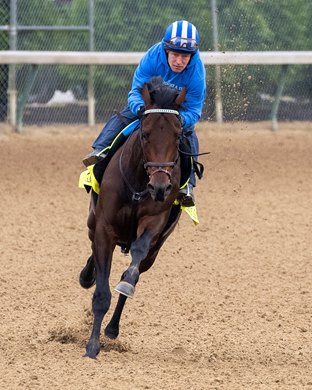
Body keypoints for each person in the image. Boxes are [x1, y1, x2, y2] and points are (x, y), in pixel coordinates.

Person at [83, 20, 206, 207]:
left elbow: (194, 111)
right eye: (175, 55)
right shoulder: (152, 57)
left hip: (176, 112)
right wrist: (141, 109)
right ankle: (99, 151)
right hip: (148, 106)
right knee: (123, 118)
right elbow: (135, 92)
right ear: (166, 50)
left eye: (185, 56)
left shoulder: (197, 72)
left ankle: (187, 186)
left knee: (189, 135)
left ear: (193, 55)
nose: (179, 61)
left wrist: (180, 120)